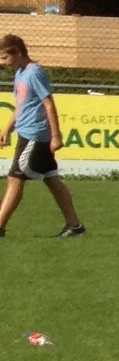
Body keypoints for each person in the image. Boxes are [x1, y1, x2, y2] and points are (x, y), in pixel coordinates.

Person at [0, 33, 87, 241]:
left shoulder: (34, 73)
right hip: (26, 133)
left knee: (15, 178)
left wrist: (56, 136)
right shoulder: (20, 73)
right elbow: (21, 105)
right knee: (52, 180)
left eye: (4, 57)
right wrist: (7, 129)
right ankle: (75, 226)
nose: (2, 62)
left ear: (18, 52)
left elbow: (48, 104)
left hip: (35, 136)